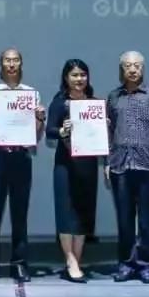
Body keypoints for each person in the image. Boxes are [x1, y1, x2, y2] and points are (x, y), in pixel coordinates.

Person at [0, 48, 45, 283]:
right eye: (7, 60)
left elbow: (35, 133)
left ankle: (19, 264)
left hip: (21, 156)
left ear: (21, 64)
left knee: (20, 213)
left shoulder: (31, 94)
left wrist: (40, 119)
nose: (11, 64)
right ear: (1, 64)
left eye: (15, 60)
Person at [106, 51, 149, 284]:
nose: (132, 69)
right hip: (120, 166)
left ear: (143, 68)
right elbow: (108, 131)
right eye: (128, 65)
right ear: (121, 69)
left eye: (137, 65)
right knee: (124, 221)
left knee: (147, 220)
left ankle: (147, 265)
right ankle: (126, 264)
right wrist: (107, 160)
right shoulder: (113, 97)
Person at [45, 59, 101, 283]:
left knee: (84, 211)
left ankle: (77, 259)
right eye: (74, 75)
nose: (79, 79)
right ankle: (70, 260)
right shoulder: (60, 102)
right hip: (65, 165)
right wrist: (62, 130)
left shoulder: (95, 104)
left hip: (88, 164)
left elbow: (103, 137)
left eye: (83, 75)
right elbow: (49, 131)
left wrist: (104, 126)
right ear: (66, 78)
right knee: (65, 211)